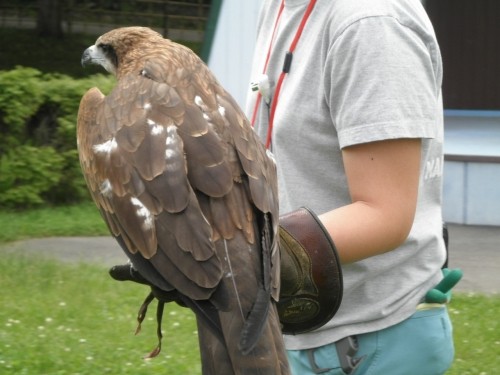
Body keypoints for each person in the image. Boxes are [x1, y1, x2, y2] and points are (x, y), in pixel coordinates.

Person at [245, 0, 455, 373]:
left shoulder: (369, 22)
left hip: (374, 341)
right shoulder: (278, 6)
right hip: (300, 329)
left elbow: (383, 214)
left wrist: (228, 259)